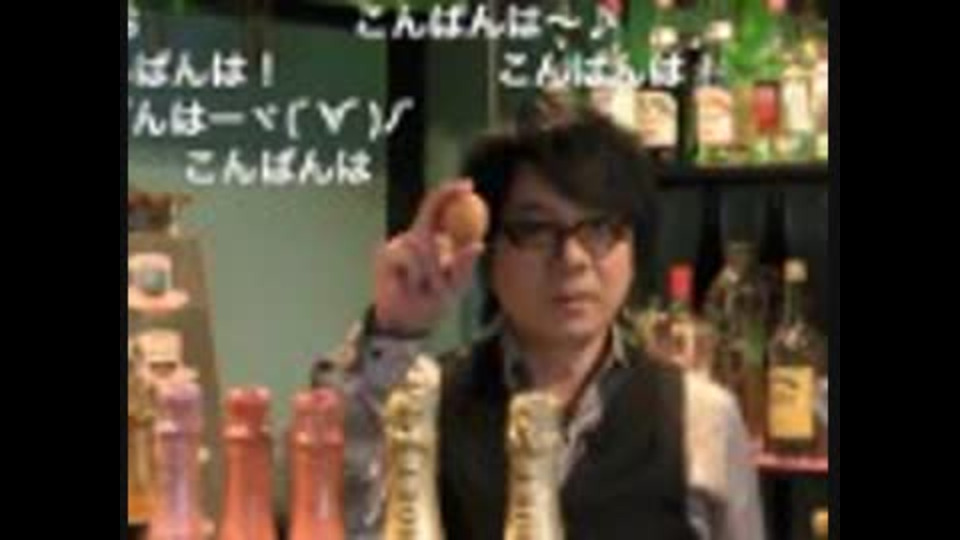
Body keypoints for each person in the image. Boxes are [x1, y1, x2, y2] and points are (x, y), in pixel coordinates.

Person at [311, 99, 766, 540]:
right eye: (535, 230)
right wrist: (394, 328)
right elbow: (333, 510)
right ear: (487, 249)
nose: (572, 259)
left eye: (599, 228)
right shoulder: (426, 399)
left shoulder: (702, 417)